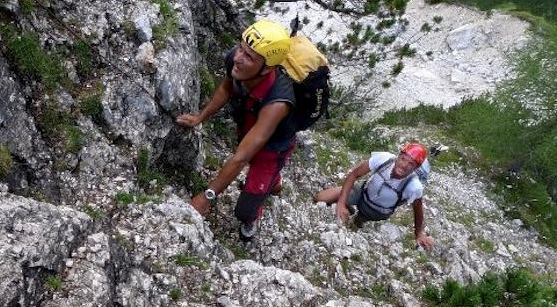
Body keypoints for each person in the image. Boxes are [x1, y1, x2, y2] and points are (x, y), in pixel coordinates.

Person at [176, 20, 296, 241]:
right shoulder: (238, 61)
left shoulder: (278, 102)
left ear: (267, 68)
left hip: (271, 151)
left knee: (245, 212)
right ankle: (273, 181)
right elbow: (227, 87)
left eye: (249, 56)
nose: (238, 58)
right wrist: (199, 118)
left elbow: (242, 157)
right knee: (257, 171)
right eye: (241, 48)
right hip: (248, 130)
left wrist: (207, 196)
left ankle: (270, 189)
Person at [313, 143, 436, 251]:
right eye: (403, 159)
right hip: (362, 193)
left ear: (415, 169)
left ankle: (359, 218)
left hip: (376, 211)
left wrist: (419, 234)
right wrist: (340, 203)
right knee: (320, 198)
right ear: (398, 156)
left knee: (354, 226)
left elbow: (418, 210)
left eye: (411, 164)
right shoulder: (384, 159)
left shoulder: (414, 187)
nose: (404, 165)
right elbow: (354, 175)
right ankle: (348, 207)